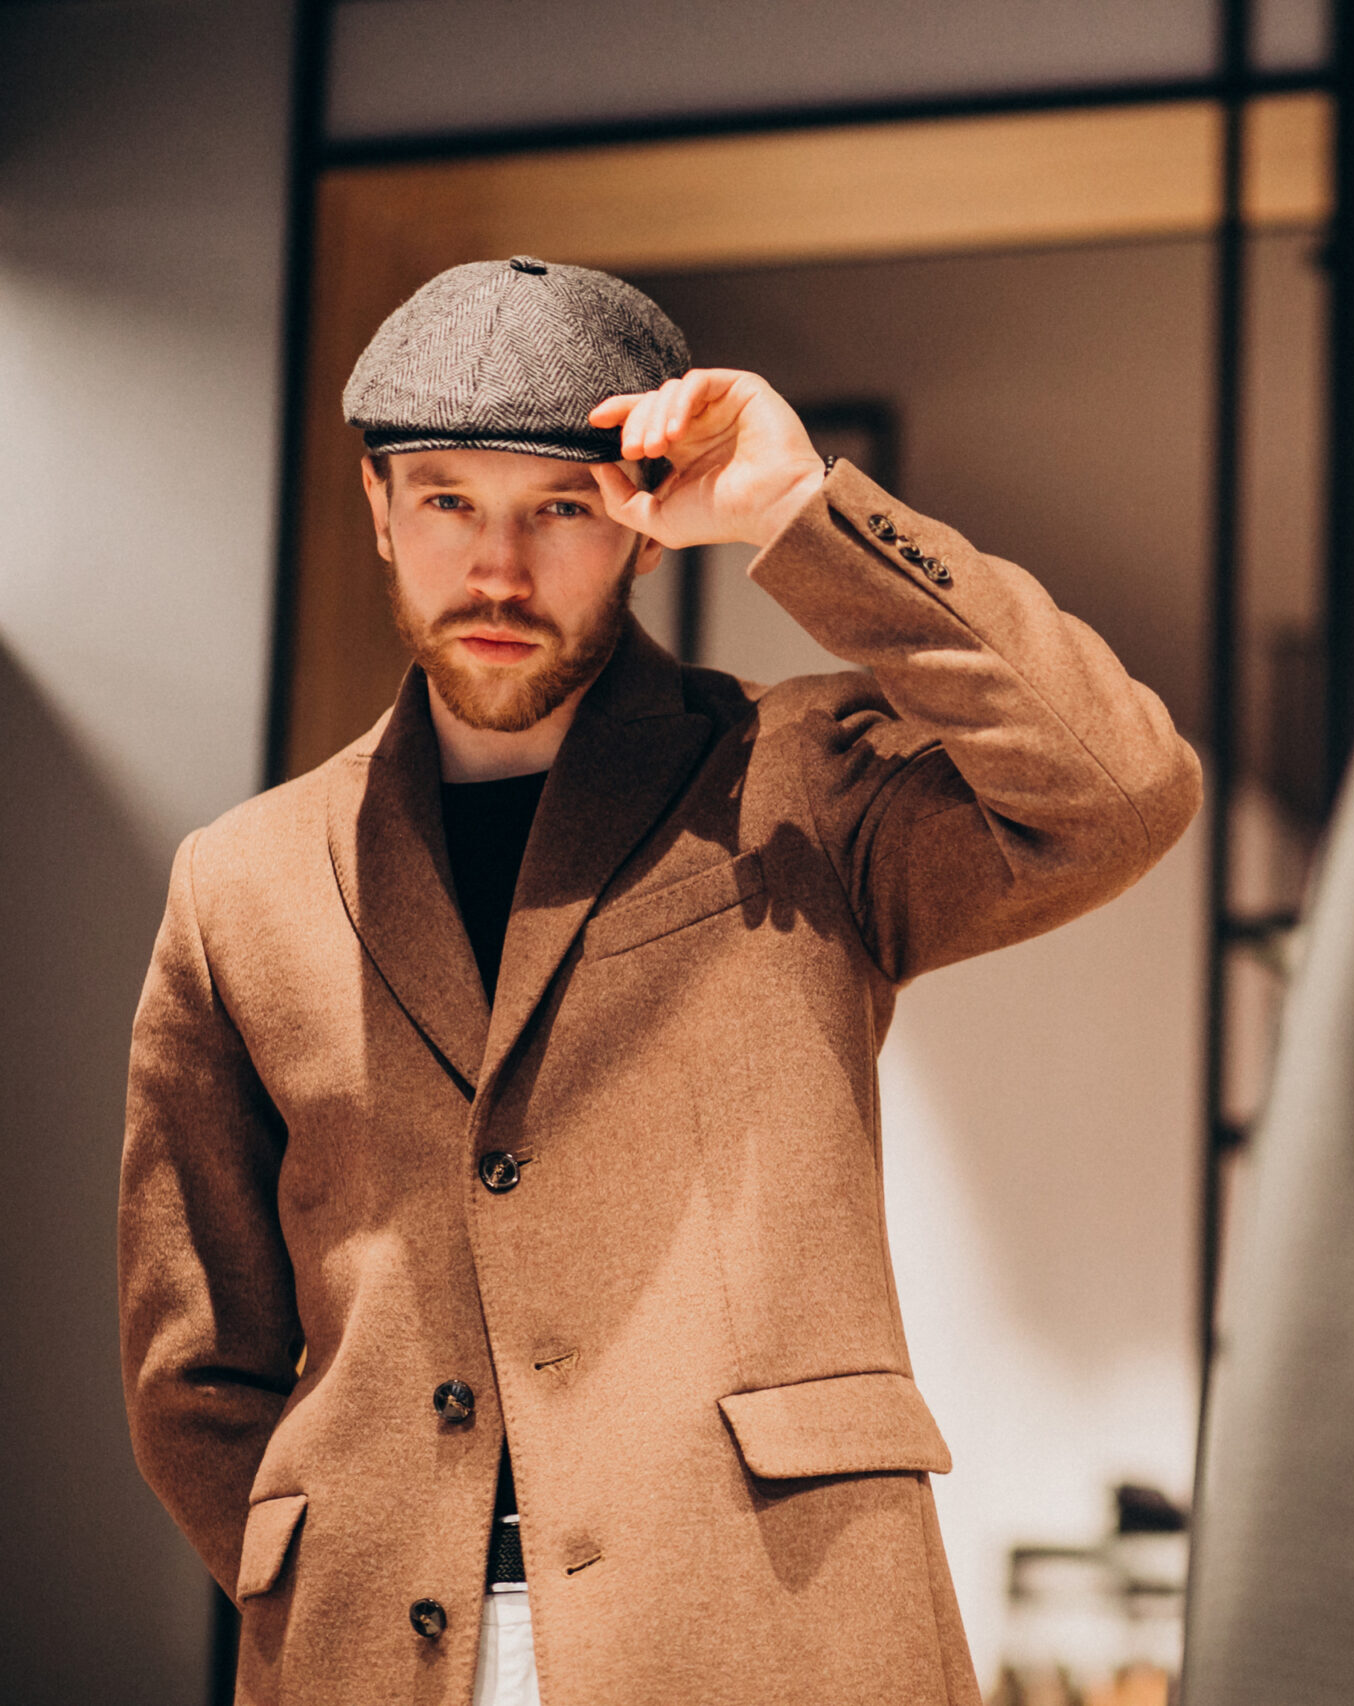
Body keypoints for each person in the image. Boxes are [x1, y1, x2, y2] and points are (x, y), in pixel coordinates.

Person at [118, 257, 1200, 1706]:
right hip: (377, 1657)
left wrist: (802, 512)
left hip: (771, 1631)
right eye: (448, 500)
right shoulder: (239, 882)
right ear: (378, 507)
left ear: (636, 525)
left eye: (558, 508)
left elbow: (1119, 789)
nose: (498, 569)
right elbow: (195, 1365)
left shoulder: (797, 786)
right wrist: (327, 1572)